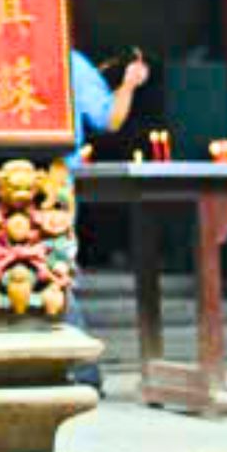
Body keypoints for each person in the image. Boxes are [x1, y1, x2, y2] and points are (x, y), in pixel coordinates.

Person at [66, 46, 148, 391]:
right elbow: (108, 119)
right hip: (54, 180)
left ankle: (80, 366)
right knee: (54, 271)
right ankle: (81, 367)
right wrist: (128, 84)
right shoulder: (69, 60)